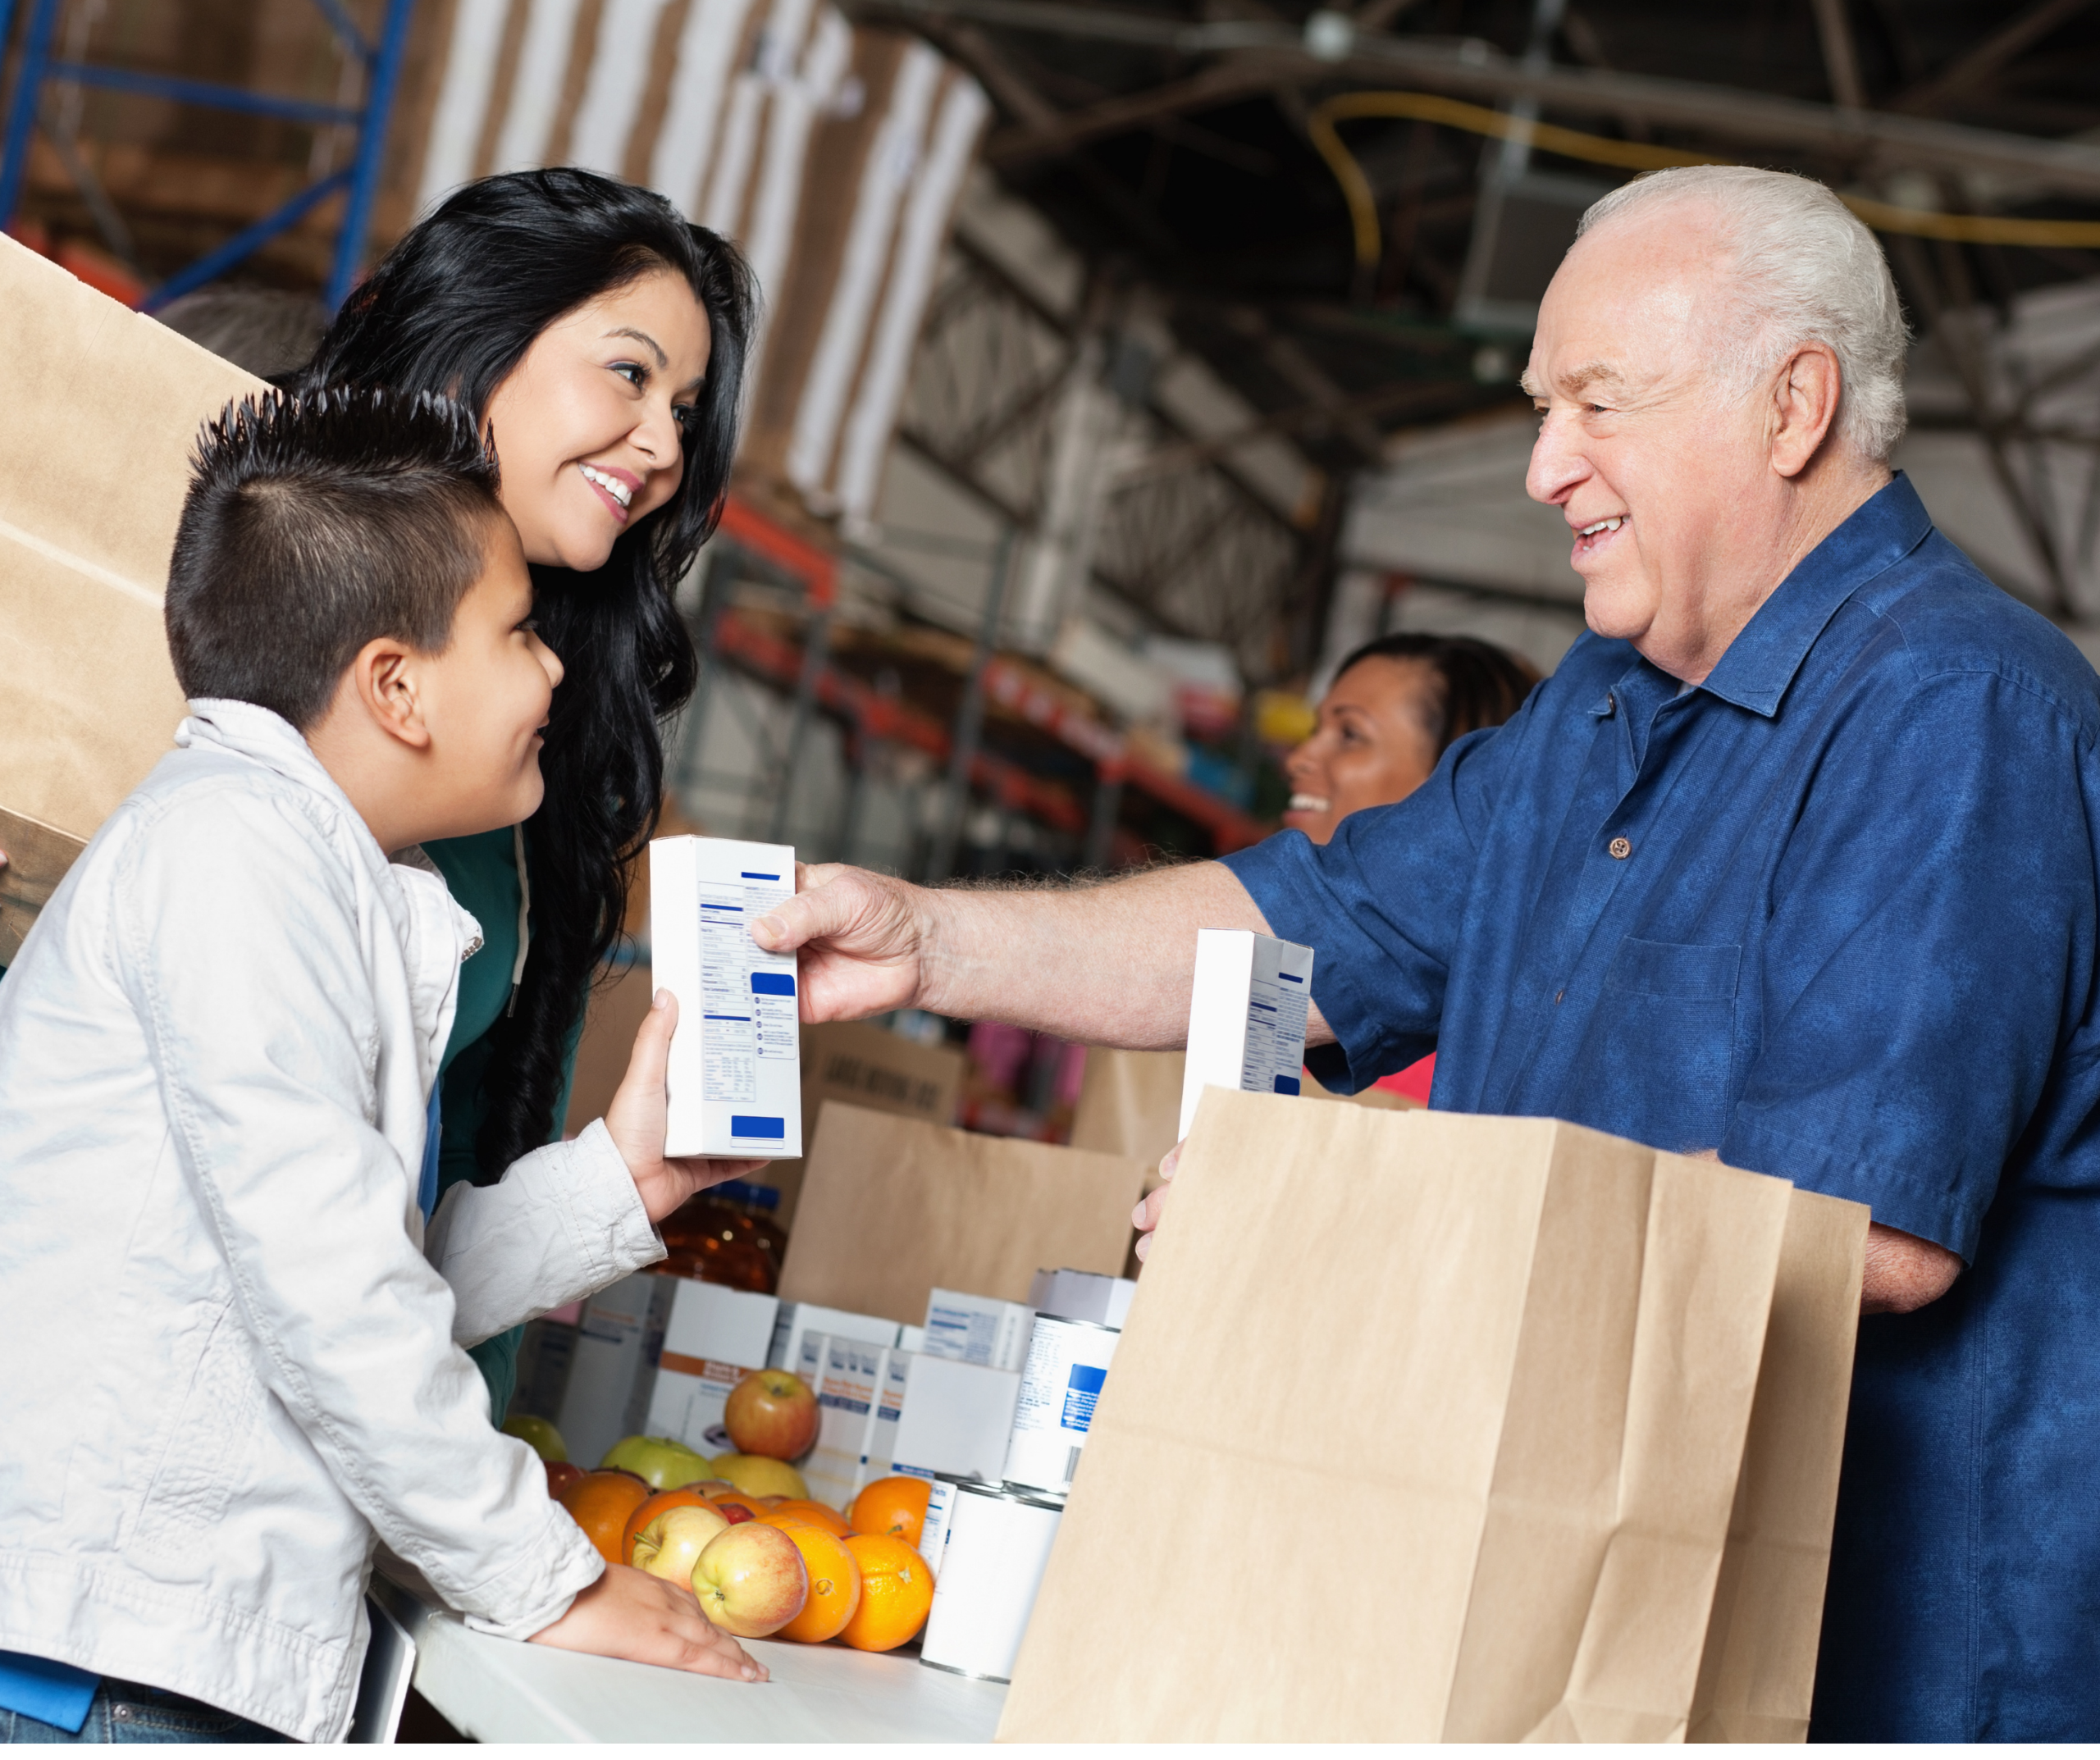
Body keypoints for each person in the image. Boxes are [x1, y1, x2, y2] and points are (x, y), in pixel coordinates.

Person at [751, 166, 2100, 1739]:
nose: (1544, 466)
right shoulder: (1600, 710)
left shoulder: (1954, 712)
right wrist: (930, 939)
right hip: (1561, 1606)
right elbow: (1299, 923)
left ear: (1795, 403)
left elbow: (1860, 1235)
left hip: (1872, 1664)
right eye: (1541, 407)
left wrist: (1329, 1211)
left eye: (1599, 402)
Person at [0, 390, 765, 1743]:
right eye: (521, 631)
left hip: (166, 1647)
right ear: (396, 688)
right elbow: (329, 1292)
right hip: (117, 1666)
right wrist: (540, 1578)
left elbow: (346, 1268)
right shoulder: (236, 859)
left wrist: (620, 1183)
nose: (554, 674)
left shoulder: (316, 870)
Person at [295, 169, 756, 1420]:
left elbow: (377, 1270)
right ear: (479, 338)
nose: (664, 444)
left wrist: (626, 1177)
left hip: (372, 1488)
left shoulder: (519, 760)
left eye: (684, 406)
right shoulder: (276, 681)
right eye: (628, 372)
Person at [1284, 632, 1536, 1101]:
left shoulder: (1464, 1058)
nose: (1299, 759)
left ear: (1454, 789)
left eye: (1350, 735)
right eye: (1316, 730)